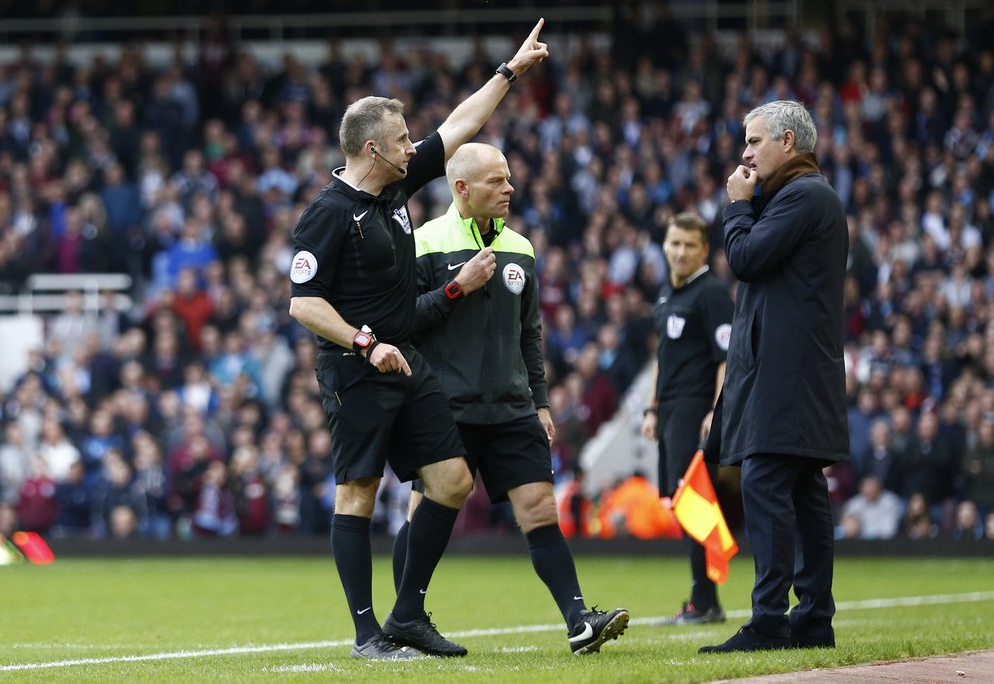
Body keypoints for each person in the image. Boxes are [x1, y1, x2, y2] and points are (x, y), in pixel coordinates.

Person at [288, 21, 549, 661]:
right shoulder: (326, 213)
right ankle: (365, 633)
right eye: (403, 140)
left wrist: (508, 73)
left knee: (453, 480)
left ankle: (407, 616)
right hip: (359, 370)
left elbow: (458, 127)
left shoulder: (397, 185)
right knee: (358, 493)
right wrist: (363, 344)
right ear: (373, 149)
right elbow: (303, 304)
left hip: (412, 365)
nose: (415, 147)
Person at [395, 142, 629, 655]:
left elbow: (530, 333)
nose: (509, 189)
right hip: (443, 407)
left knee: (541, 508)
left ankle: (579, 621)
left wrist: (541, 400)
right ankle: (405, 615)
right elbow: (404, 322)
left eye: (508, 179)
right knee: (426, 509)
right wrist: (457, 287)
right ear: (462, 188)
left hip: (512, 407)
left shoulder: (520, 248)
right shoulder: (424, 243)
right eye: (497, 181)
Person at [700, 100, 849, 653]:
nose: (745, 152)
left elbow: (745, 258)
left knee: (765, 481)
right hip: (799, 368)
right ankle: (813, 619)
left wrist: (737, 207)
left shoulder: (803, 196)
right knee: (804, 488)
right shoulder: (808, 196)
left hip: (785, 372)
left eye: (754, 140)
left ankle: (769, 619)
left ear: (788, 142)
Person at [639, 211, 733, 626]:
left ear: (704, 250)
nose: (680, 252)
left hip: (696, 407)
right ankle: (703, 598)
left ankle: (705, 601)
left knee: (690, 499)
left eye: (689, 245)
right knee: (681, 501)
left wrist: (716, 410)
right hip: (670, 409)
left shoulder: (711, 293)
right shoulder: (666, 294)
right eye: (674, 243)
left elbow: (725, 359)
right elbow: (662, 357)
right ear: (664, 245)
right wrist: (651, 408)